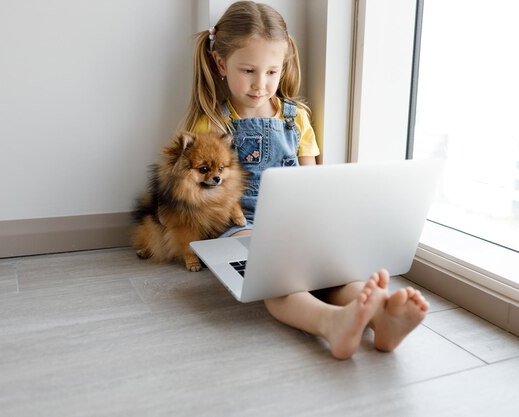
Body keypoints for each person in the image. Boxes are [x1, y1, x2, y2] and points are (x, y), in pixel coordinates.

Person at [180, 0, 429, 359]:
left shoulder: (297, 118)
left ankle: (380, 315)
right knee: (279, 280)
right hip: (240, 224)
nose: (260, 84)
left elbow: (312, 184)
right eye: (248, 70)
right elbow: (197, 192)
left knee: (337, 274)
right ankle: (330, 323)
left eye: (271, 72)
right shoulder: (212, 125)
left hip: (296, 223)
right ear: (221, 64)